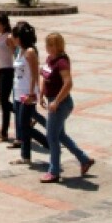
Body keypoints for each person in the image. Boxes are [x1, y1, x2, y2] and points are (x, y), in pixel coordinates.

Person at [39, 32, 94, 183]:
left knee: (52, 137)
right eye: (47, 44)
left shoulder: (62, 62)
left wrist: (56, 101)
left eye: (51, 45)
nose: (48, 48)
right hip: (52, 101)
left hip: (61, 104)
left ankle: (54, 171)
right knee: (60, 135)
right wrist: (41, 94)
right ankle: (84, 159)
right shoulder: (50, 59)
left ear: (58, 45)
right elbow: (45, 76)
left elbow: (68, 83)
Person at [9, 21, 47, 165]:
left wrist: (32, 92)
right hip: (19, 92)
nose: (13, 38)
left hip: (28, 93)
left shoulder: (30, 52)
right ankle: (25, 156)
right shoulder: (20, 51)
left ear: (20, 37)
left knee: (24, 125)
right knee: (21, 124)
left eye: (15, 36)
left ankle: (45, 142)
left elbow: (34, 73)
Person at [0, 13, 15, 143]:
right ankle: (26, 116)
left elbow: (15, 53)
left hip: (8, 70)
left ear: (4, 24)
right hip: (1, 71)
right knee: (3, 101)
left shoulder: (8, 37)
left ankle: (4, 132)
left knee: (4, 102)